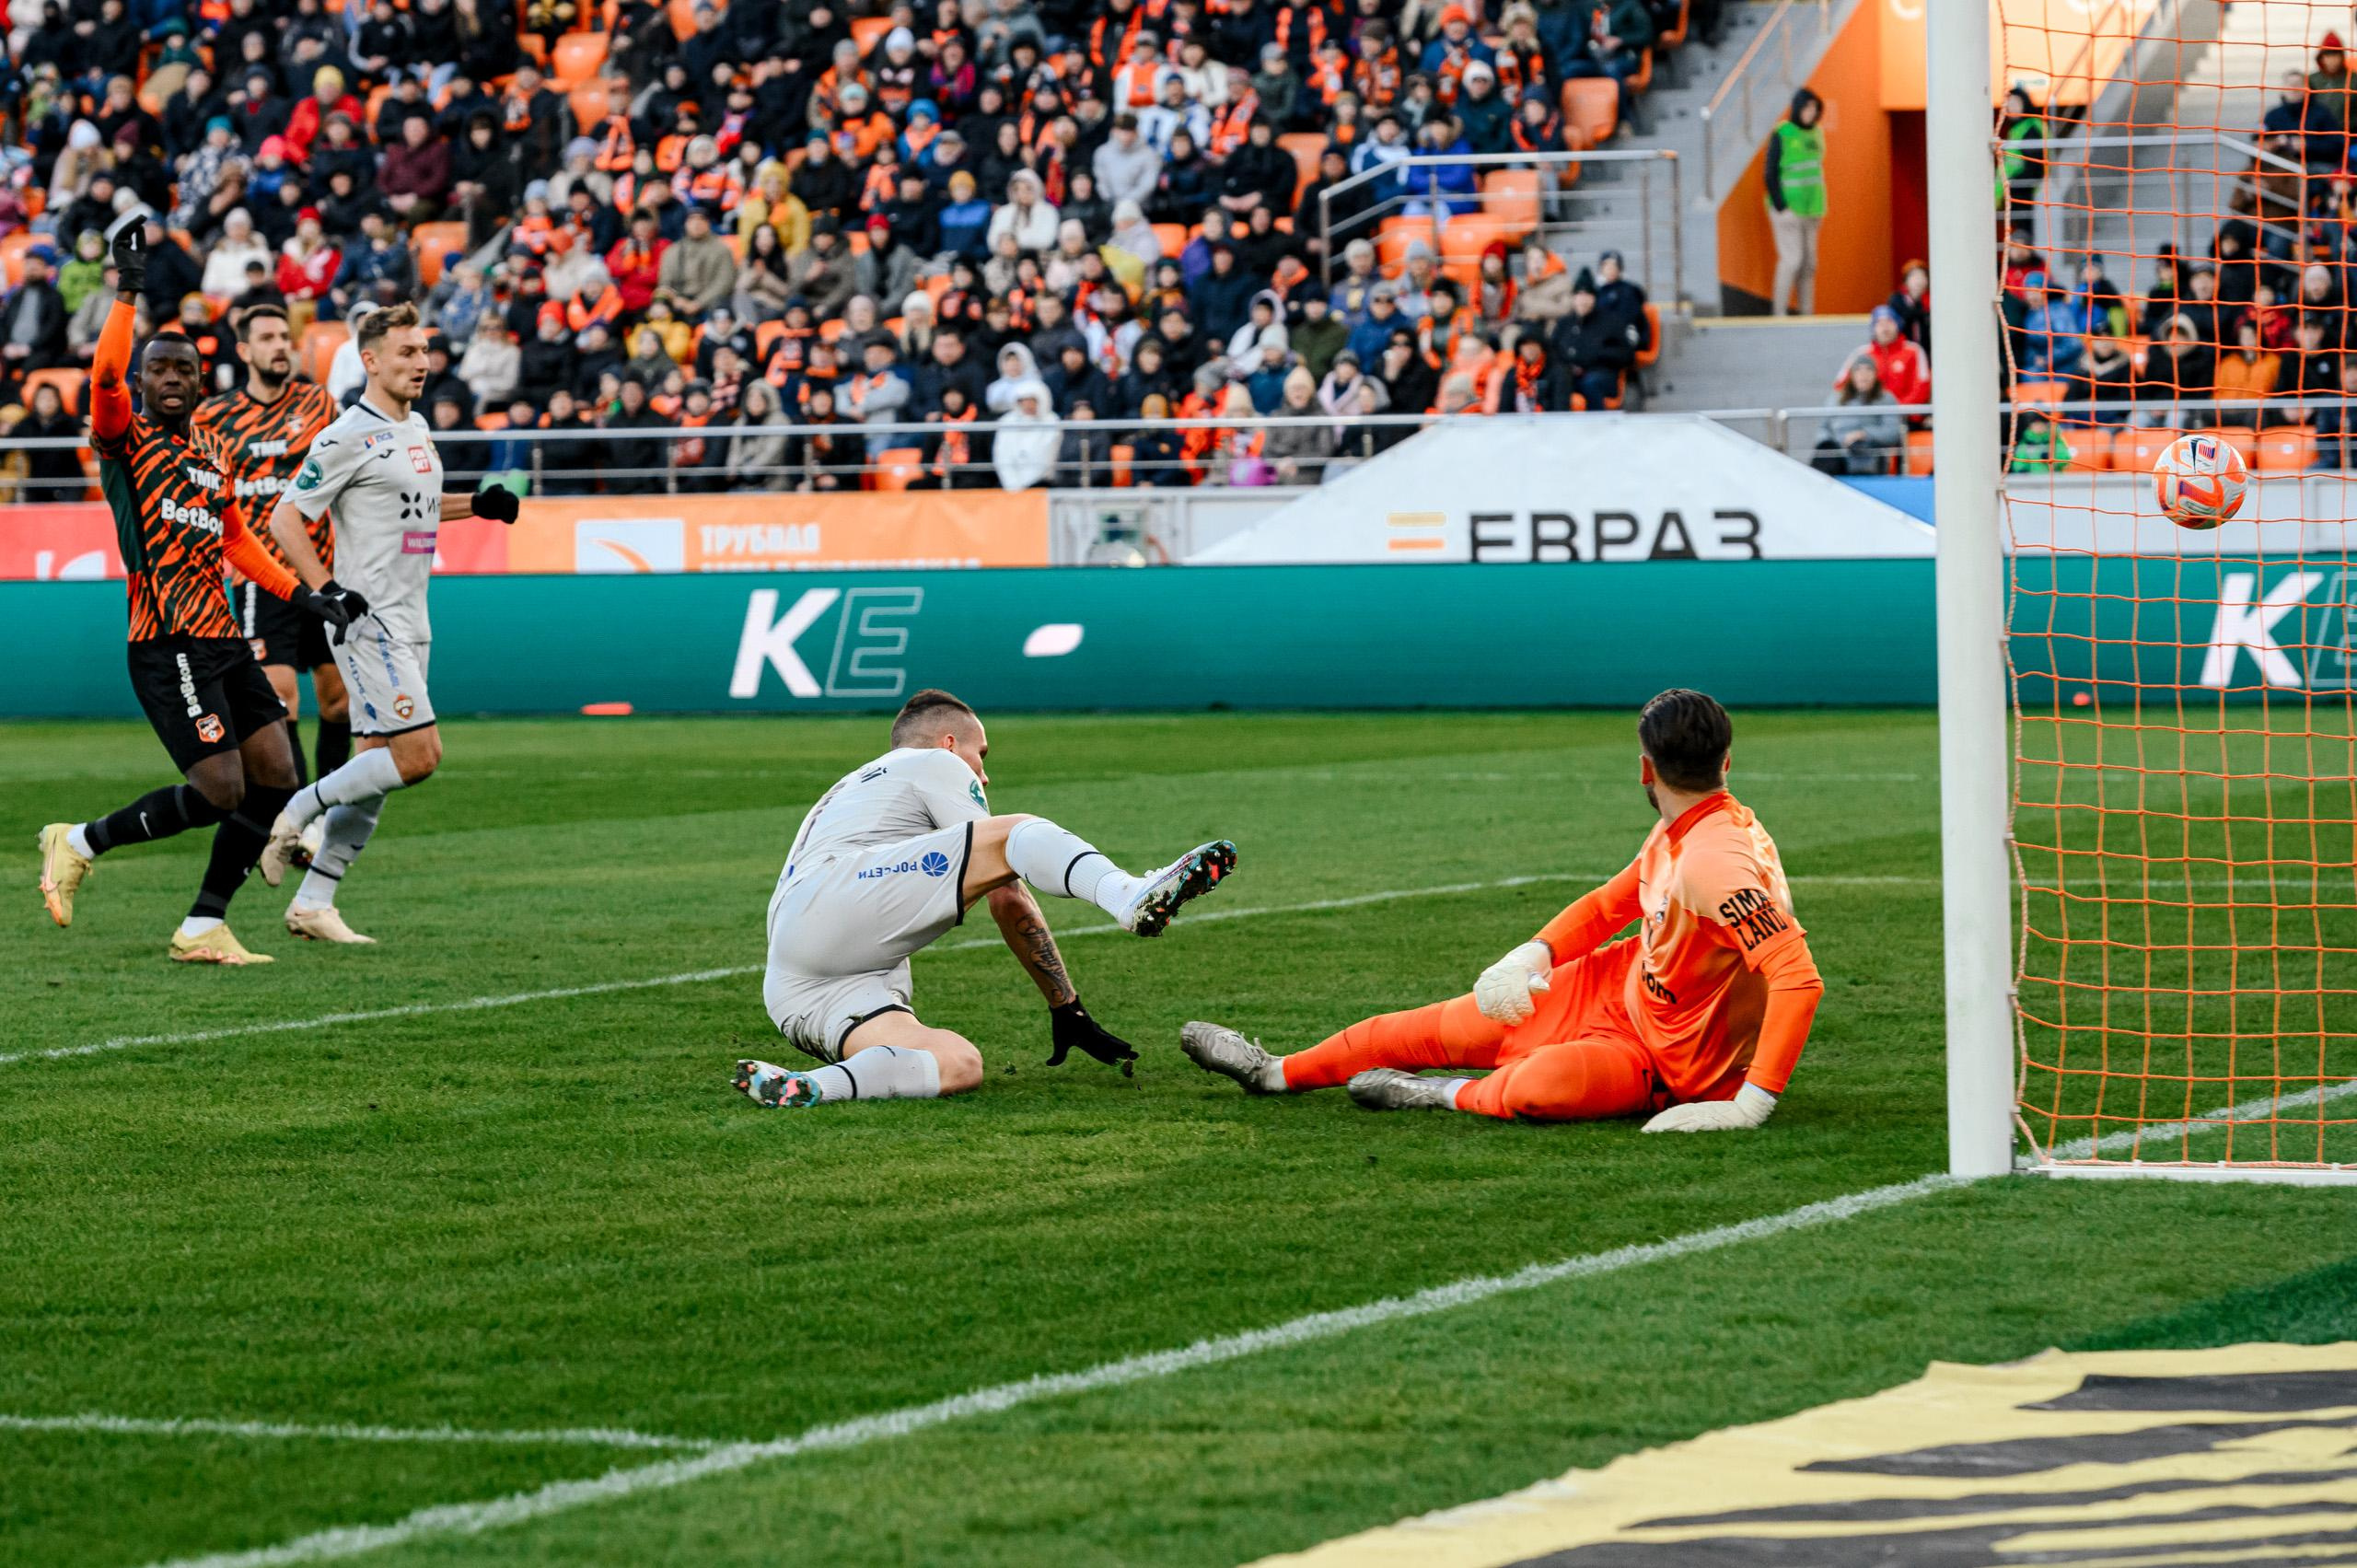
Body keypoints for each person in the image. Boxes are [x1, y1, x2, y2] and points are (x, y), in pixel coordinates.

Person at [1183, 690, 1822, 1131]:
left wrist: (1751, 1102)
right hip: (1618, 989)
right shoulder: (1693, 827)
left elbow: (1796, 976)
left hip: (1668, 1059)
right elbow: (1611, 904)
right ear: (1726, 763)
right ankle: (1270, 1072)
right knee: (1436, 1027)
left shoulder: (1716, 858)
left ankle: (1437, 1094)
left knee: (1539, 1087)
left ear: (1645, 769)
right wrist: (1532, 955)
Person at [35, 224, 358, 963]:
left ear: (200, 379)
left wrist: (310, 594)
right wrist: (126, 291)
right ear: (145, 382)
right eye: (160, 369)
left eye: (184, 368)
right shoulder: (126, 437)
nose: (172, 377)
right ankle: (80, 840)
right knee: (221, 788)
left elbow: (239, 538)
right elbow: (103, 380)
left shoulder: (210, 451)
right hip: (165, 642)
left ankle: (203, 923)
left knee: (277, 777)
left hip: (222, 637)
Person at [736, 688, 1240, 1108]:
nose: (984, 773)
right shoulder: (934, 762)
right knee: (1018, 830)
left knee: (956, 1062)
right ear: (950, 743)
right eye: (981, 755)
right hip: (832, 906)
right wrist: (1066, 1005)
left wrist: (1069, 1011)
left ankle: (810, 1088)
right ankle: (1129, 894)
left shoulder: (855, 788)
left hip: (796, 981)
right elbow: (1009, 892)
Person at [253, 303, 523, 937]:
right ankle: (296, 809)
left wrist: (475, 506)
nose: (422, 362)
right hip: (366, 619)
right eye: (407, 352)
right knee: (420, 754)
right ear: (369, 360)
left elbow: (416, 507)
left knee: (375, 764)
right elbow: (285, 517)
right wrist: (323, 591)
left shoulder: (418, 427)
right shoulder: (346, 434)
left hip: (413, 615)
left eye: (425, 350)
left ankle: (314, 901)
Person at [193, 305, 350, 854]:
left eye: (285, 337)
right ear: (244, 351)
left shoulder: (319, 404)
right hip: (264, 579)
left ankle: (329, 812)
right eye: (267, 338)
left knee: (340, 703)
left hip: (322, 572)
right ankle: (300, 818)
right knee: (283, 698)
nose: (280, 346)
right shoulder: (212, 417)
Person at [1764, 88, 1825, 317]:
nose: (1811, 113)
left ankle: (1806, 312)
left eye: (1814, 109)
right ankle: (1779, 314)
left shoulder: (1817, 133)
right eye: (1807, 108)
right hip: (1788, 209)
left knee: (1809, 264)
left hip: (1813, 208)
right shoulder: (1783, 132)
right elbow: (1770, 172)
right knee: (1792, 260)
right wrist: (1781, 206)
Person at [1814, 357, 1901, 476]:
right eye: (1858, 370)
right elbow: (1822, 428)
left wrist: (1864, 434)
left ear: (1875, 374)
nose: (1863, 374)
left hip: (1870, 454)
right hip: (1838, 455)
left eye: (1868, 370)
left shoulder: (1885, 399)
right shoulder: (1835, 398)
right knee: (1825, 451)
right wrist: (1835, 443)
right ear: (1852, 375)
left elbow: (1893, 433)